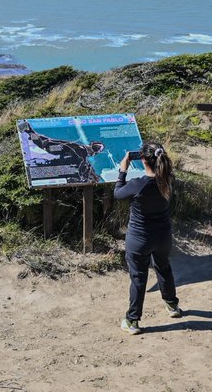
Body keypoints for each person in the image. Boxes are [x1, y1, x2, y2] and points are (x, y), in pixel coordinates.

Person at [114, 142, 182, 334]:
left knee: (138, 277)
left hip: (139, 238)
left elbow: (118, 193)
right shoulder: (168, 179)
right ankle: (172, 306)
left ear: (143, 159)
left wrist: (122, 171)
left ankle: (133, 320)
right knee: (163, 267)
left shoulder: (138, 184)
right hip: (163, 236)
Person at [17, 120, 105, 184]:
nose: (94, 151)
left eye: (96, 149)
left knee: (44, 143)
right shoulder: (81, 152)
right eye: (95, 148)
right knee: (44, 144)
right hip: (58, 151)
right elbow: (64, 145)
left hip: (60, 157)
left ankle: (28, 130)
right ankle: (28, 130)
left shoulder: (83, 156)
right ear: (91, 145)